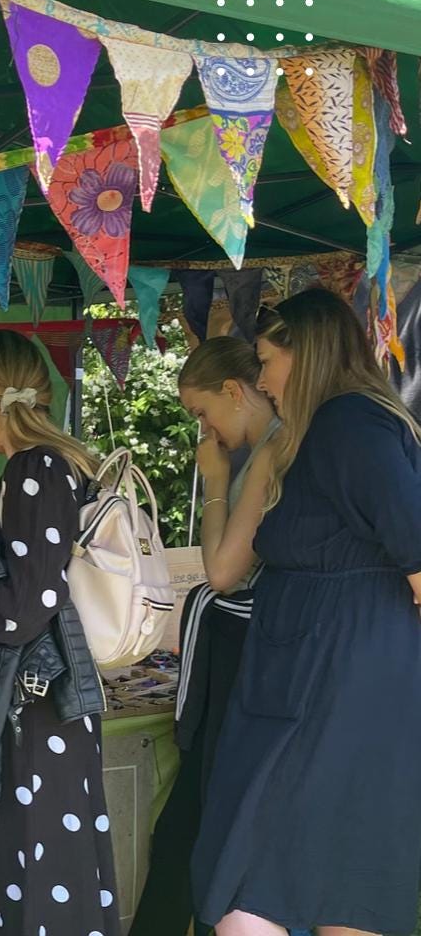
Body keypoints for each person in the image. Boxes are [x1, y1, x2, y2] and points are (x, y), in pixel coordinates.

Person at [193, 288, 421, 936]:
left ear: (310, 352)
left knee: (327, 887)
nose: (261, 379)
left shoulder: (354, 424)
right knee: (271, 884)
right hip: (304, 687)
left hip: (343, 693)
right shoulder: (320, 431)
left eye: (267, 361)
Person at [0, 329, 121, 936]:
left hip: (30, 707)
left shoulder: (32, 467)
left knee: (26, 851)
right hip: (44, 701)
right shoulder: (58, 465)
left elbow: (30, 602)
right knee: (46, 854)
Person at [131, 337, 281, 936]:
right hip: (247, 651)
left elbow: (221, 570)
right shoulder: (271, 449)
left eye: (202, 412)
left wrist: (216, 482)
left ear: (233, 391)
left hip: (250, 655)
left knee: (199, 823)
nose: (205, 430)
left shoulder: (273, 452)